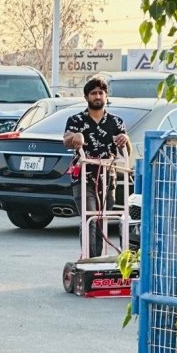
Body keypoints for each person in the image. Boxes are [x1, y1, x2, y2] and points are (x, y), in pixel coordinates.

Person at [63, 76, 128, 257]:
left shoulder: (116, 122)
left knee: (103, 220)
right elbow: (66, 140)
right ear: (86, 97)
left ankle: (101, 259)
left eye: (101, 93)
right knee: (90, 217)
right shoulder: (76, 120)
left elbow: (125, 149)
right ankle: (89, 260)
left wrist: (125, 140)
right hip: (84, 177)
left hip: (108, 177)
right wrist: (75, 138)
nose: (97, 96)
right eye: (93, 93)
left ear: (106, 96)